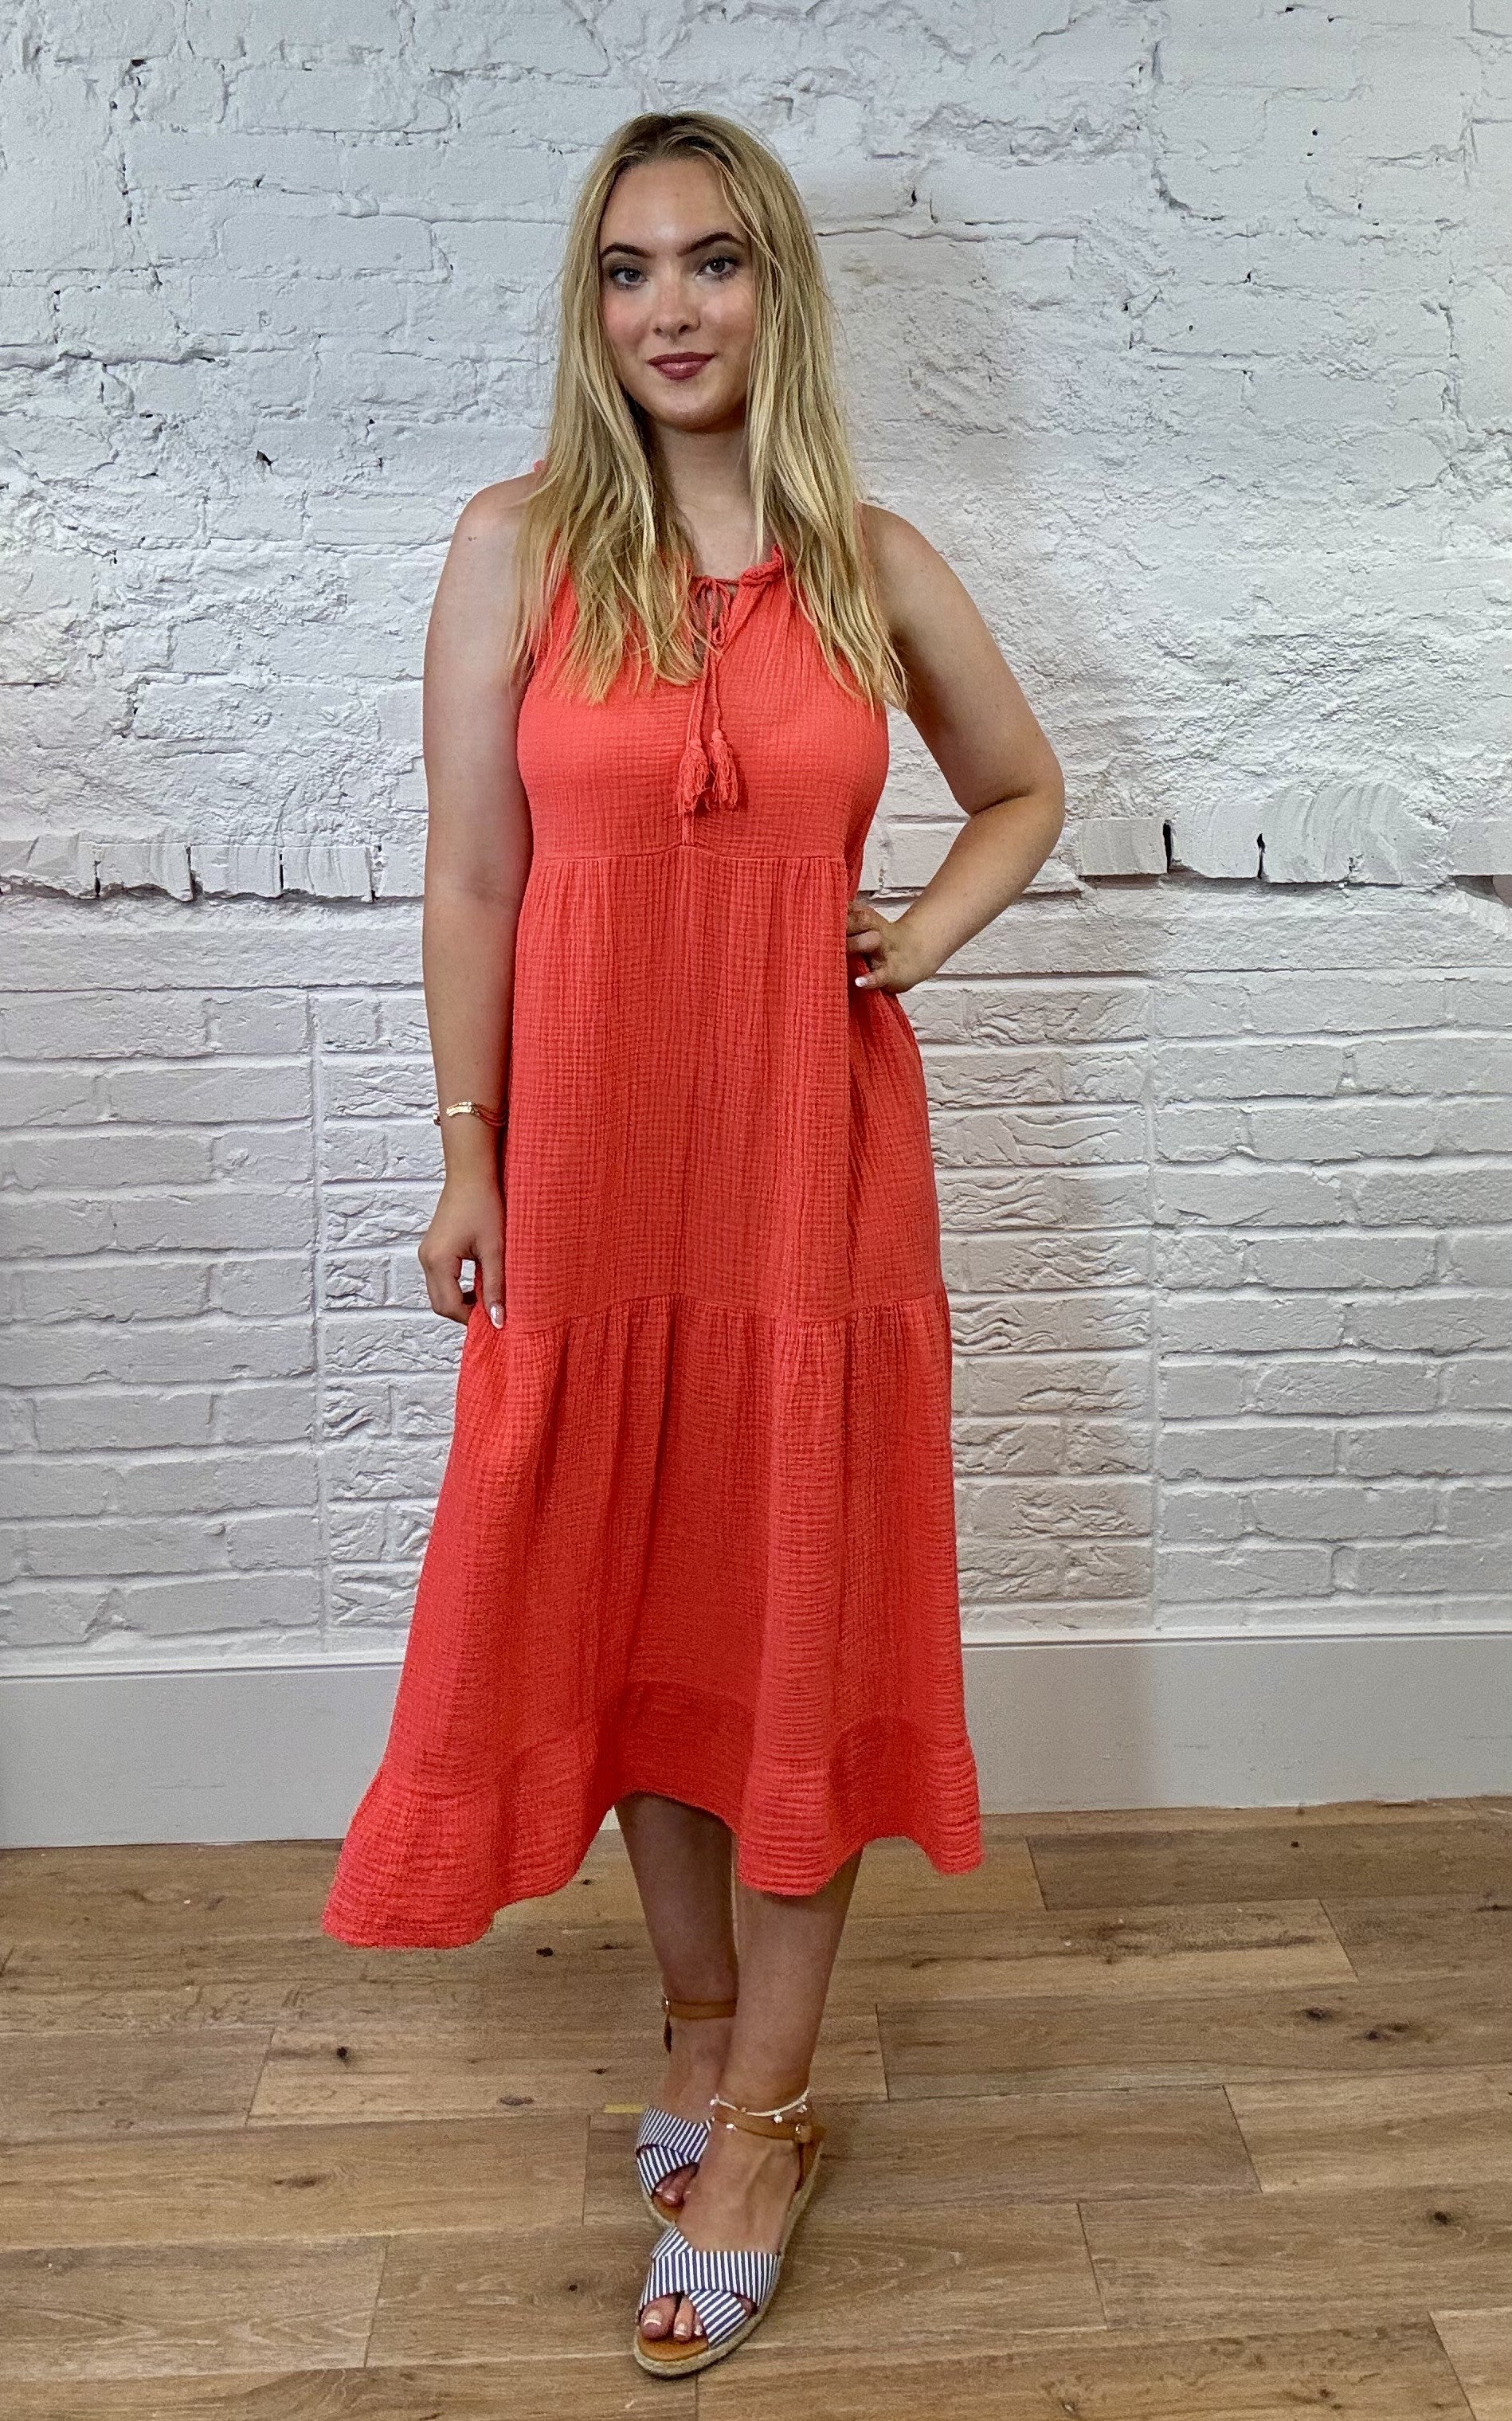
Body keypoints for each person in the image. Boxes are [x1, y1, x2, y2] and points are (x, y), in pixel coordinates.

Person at [321, 108, 1065, 2377]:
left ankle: (762, 2117)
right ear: (591, 304)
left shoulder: (870, 561)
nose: (673, 308)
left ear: (776, 292)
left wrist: (902, 943)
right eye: (630, 268)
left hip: (807, 1170)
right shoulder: (518, 547)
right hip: (590, 1160)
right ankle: (695, 2012)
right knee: (640, 1583)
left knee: (794, 1599)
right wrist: (470, 1153)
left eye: (715, 261)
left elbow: (1021, 787)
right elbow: (475, 875)